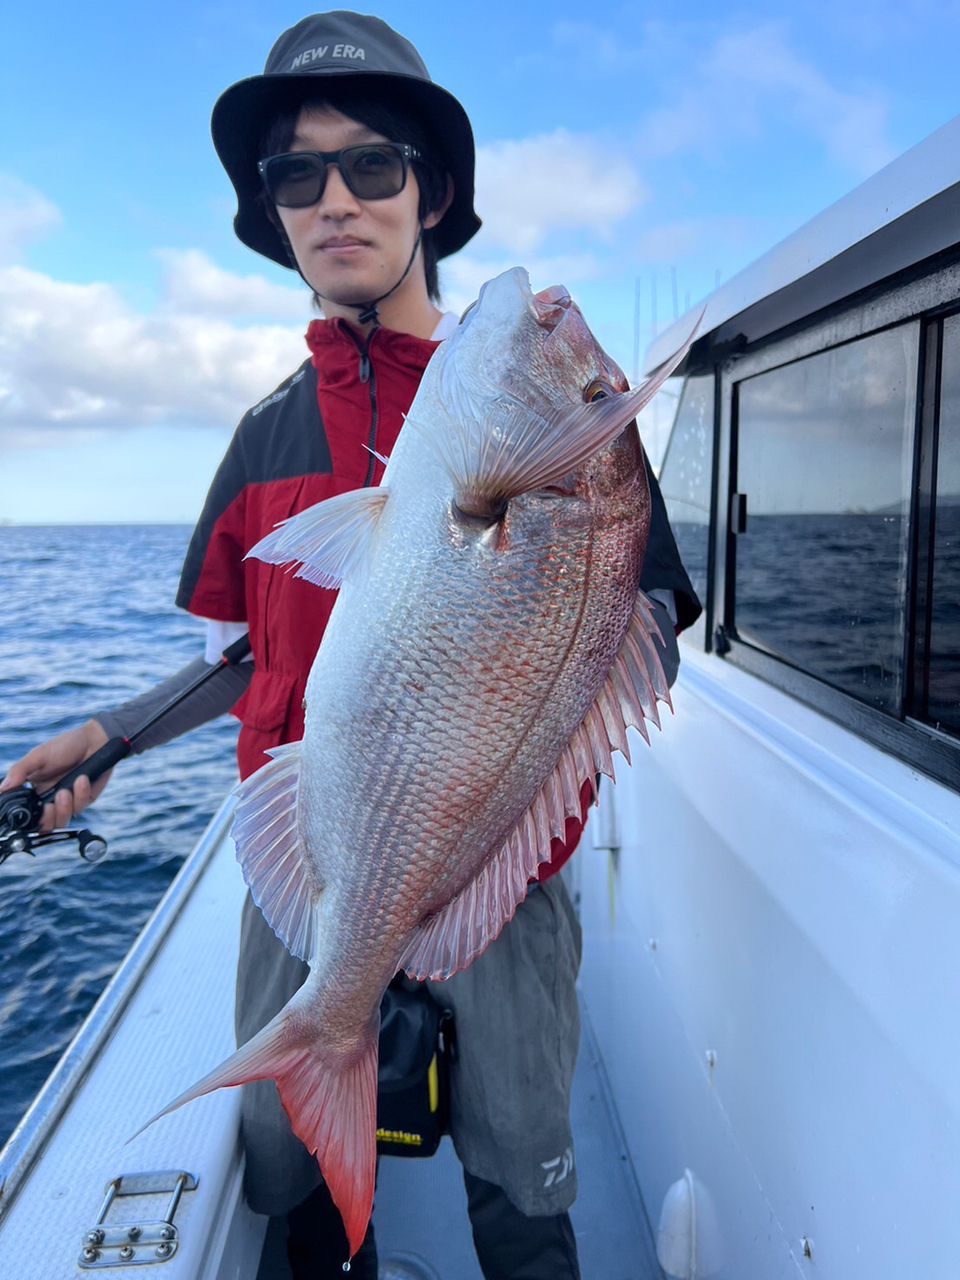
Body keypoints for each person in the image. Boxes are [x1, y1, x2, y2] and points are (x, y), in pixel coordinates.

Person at [1, 12, 701, 1278]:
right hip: (315, 854)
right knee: (300, 1193)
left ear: (430, 192)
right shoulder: (263, 436)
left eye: (371, 164)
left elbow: (623, 632)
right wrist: (112, 734)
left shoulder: (568, 427)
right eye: (295, 174)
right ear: (272, 212)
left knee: (525, 1182)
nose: (335, 199)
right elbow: (247, 654)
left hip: (504, 846)